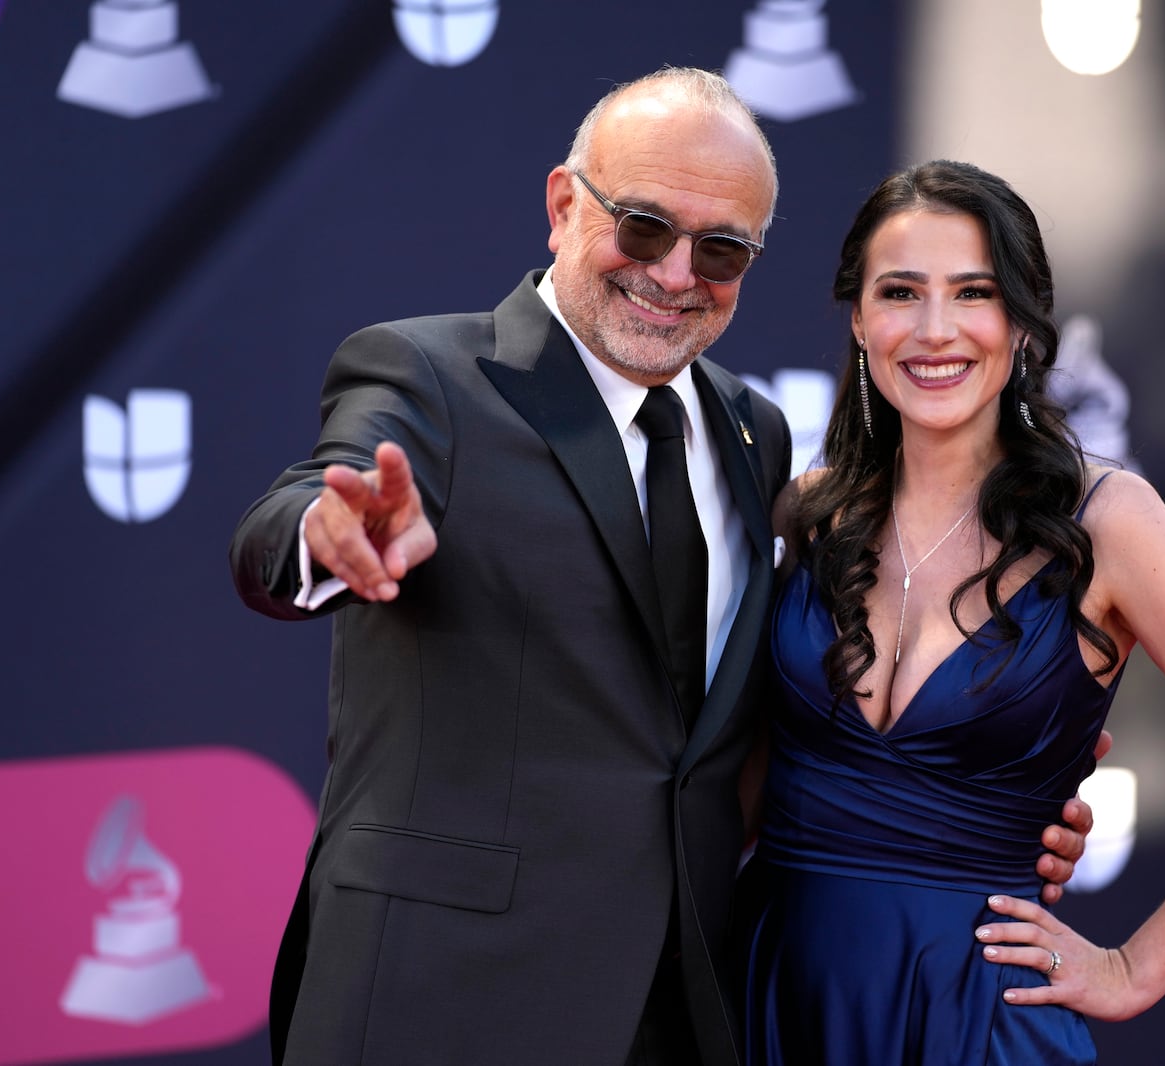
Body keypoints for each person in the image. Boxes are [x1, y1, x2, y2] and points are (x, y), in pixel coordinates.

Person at [229, 72, 1095, 1066]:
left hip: (679, 1005)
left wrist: (985, 770)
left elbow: (746, 718)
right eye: (643, 228)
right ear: (564, 205)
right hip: (441, 997)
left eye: (721, 248)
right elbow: (286, 519)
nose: (676, 273)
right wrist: (327, 537)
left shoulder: (752, 433)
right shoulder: (428, 376)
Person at [737, 160, 1165, 1065]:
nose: (935, 329)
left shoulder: (1112, 525)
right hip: (775, 994)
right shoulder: (805, 513)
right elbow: (741, 778)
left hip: (982, 1012)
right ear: (860, 319)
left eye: (973, 293)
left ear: (1021, 323)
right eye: (900, 292)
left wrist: (1135, 968)